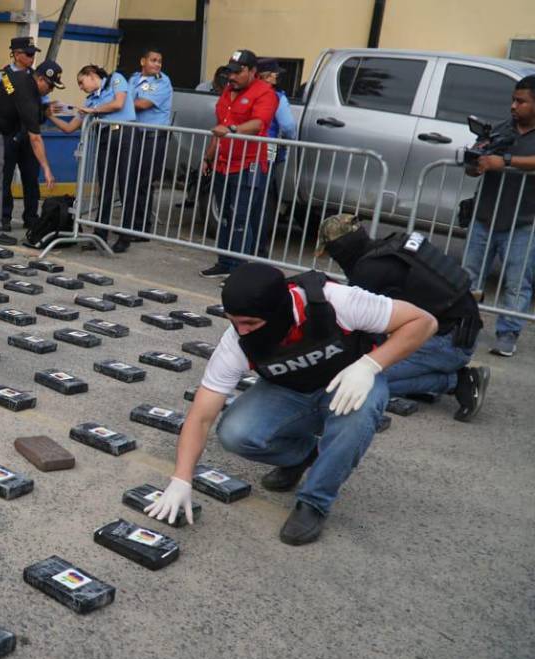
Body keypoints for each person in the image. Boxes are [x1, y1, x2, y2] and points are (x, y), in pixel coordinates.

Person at [145, 263, 437, 545]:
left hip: (350, 384)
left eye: (251, 323)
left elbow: (424, 322)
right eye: (234, 321)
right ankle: (302, 457)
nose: (242, 331)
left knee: (357, 418)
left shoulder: (337, 301)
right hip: (290, 392)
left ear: (279, 310)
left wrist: (370, 365)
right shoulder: (236, 341)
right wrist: (181, 478)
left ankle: (314, 503)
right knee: (235, 433)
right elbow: (201, 417)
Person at [318, 214, 489, 421]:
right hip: (462, 332)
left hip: (448, 344)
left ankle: (458, 381)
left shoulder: (367, 272)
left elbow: (361, 334)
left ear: (339, 250)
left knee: (364, 379)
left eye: (331, 254)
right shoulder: (393, 245)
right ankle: (432, 377)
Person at [463, 75, 535, 357]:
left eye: (521, 101)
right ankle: (464, 326)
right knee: (469, 277)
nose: (513, 106)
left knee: (517, 282)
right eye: (513, 100)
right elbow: (475, 166)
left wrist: (504, 162)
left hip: (524, 221)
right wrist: (475, 162)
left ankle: (508, 334)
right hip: (485, 215)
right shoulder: (501, 129)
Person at [0, 59, 62, 246]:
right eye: (50, 86)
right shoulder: (29, 96)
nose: (50, 91)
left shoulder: (15, 77)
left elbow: (5, 92)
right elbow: (35, 138)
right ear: (40, 79)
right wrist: (47, 168)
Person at [199, 50, 278, 279]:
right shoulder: (228, 90)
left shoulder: (265, 93)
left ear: (253, 71)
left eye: (238, 72)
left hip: (248, 163)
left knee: (240, 218)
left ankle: (239, 270)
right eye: (230, 72)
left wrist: (233, 131)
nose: (232, 77)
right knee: (224, 215)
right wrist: (209, 156)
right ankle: (224, 262)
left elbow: (257, 123)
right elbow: (220, 124)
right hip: (223, 163)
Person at [47, 64, 135, 253]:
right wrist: (50, 116)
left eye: (81, 82)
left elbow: (119, 103)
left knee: (125, 184)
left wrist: (94, 111)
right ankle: (99, 234)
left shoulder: (115, 80)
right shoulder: (89, 101)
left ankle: (125, 236)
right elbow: (70, 128)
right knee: (105, 188)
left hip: (124, 134)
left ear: (91, 75)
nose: (81, 87)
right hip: (105, 137)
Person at [126, 47, 173, 241]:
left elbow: (143, 104)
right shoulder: (134, 79)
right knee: (132, 179)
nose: (157, 64)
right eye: (153, 60)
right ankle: (130, 224)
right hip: (136, 135)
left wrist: (121, 101)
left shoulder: (162, 81)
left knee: (144, 182)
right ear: (143, 61)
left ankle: (141, 227)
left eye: (159, 61)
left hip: (153, 137)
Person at [0, 37, 43, 233]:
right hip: (8, 134)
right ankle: (4, 216)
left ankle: (31, 217)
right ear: (16, 54)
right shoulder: (3, 76)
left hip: (29, 135)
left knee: (31, 178)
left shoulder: (36, 77)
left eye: (34, 54)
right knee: (4, 178)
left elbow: (42, 102)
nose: (33, 58)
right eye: (29, 54)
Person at [256, 58, 298, 255]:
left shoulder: (248, 92)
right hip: (268, 148)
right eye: (274, 73)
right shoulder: (277, 96)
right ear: (266, 75)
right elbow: (288, 126)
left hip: (247, 148)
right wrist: (288, 142)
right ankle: (258, 246)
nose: (277, 75)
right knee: (264, 197)